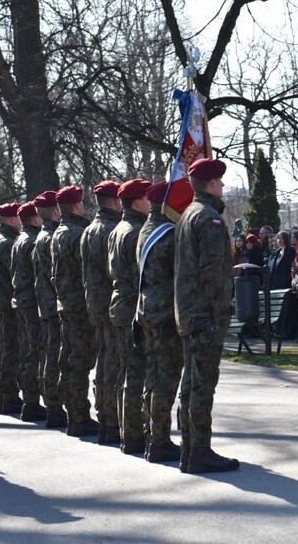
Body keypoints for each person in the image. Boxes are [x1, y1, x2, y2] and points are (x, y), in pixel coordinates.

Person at [174, 158, 239, 473]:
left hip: (189, 313)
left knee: (191, 384)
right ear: (211, 184)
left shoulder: (187, 214)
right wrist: (222, 310)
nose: (223, 187)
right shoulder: (208, 219)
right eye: (221, 182)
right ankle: (199, 452)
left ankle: (190, 449)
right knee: (201, 386)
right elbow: (212, 272)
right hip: (205, 315)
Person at [137, 180, 192, 463]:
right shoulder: (167, 234)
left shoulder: (146, 230)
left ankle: (153, 437)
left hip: (148, 312)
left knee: (154, 376)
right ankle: (159, 440)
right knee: (165, 380)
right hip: (166, 315)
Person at [108, 178, 152, 455]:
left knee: (126, 371)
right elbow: (142, 275)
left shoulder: (117, 229)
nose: (151, 203)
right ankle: (135, 435)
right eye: (147, 198)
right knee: (137, 373)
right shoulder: (136, 231)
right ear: (137, 202)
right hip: (133, 305)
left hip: (120, 304)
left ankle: (127, 432)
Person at [52, 185, 98, 437]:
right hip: (79, 306)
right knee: (80, 362)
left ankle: (72, 414)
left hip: (66, 304)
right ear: (77, 206)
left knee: (70, 361)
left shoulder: (59, 232)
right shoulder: (77, 234)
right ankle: (79, 416)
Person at [80, 181, 123, 444]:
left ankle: (105, 418)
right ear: (117, 200)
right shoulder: (111, 230)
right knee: (115, 365)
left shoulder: (88, 230)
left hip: (95, 305)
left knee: (104, 363)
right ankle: (113, 420)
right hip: (111, 305)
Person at [31, 191, 67, 428]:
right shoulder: (49, 237)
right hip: (53, 305)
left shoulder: (42, 236)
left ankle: (53, 405)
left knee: (49, 355)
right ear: (55, 211)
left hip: (45, 303)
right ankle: (54, 407)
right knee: (54, 357)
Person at [11, 202, 47, 421]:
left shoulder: (19, 239)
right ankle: (32, 402)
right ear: (34, 219)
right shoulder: (31, 241)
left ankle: (29, 400)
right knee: (34, 353)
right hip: (32, 303)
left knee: (27, 351)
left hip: (22, 301)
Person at [0, 203, 23, 416]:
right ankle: (9, 396)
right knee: (11, 352)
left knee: (5, 350)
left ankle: (5, 395)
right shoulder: (8, 243)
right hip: (9, 305)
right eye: (17, 217)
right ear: (11, 219)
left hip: (0, 303)